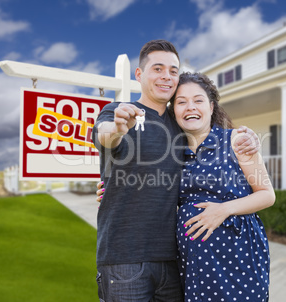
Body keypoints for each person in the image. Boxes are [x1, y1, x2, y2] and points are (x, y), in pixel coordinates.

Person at [92, 40, 261, 302]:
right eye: (157, 69)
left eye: (173, 70)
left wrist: (249, 138)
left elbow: (209, 140)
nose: (166, 77)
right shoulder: (117, 113)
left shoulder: (181, 123)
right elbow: (106, 138)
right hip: (125, 258)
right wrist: (117, 128)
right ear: (139, 74)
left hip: (177, 261)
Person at [169, 72, 275, 301]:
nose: (190, 107)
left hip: (238, 256)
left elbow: (267, 195)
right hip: (193, 263)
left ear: (211, 106)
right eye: (181, 102)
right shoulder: (173, 154)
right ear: (173, 110)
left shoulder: (237, 140)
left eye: (198, 100)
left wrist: (223, 209)